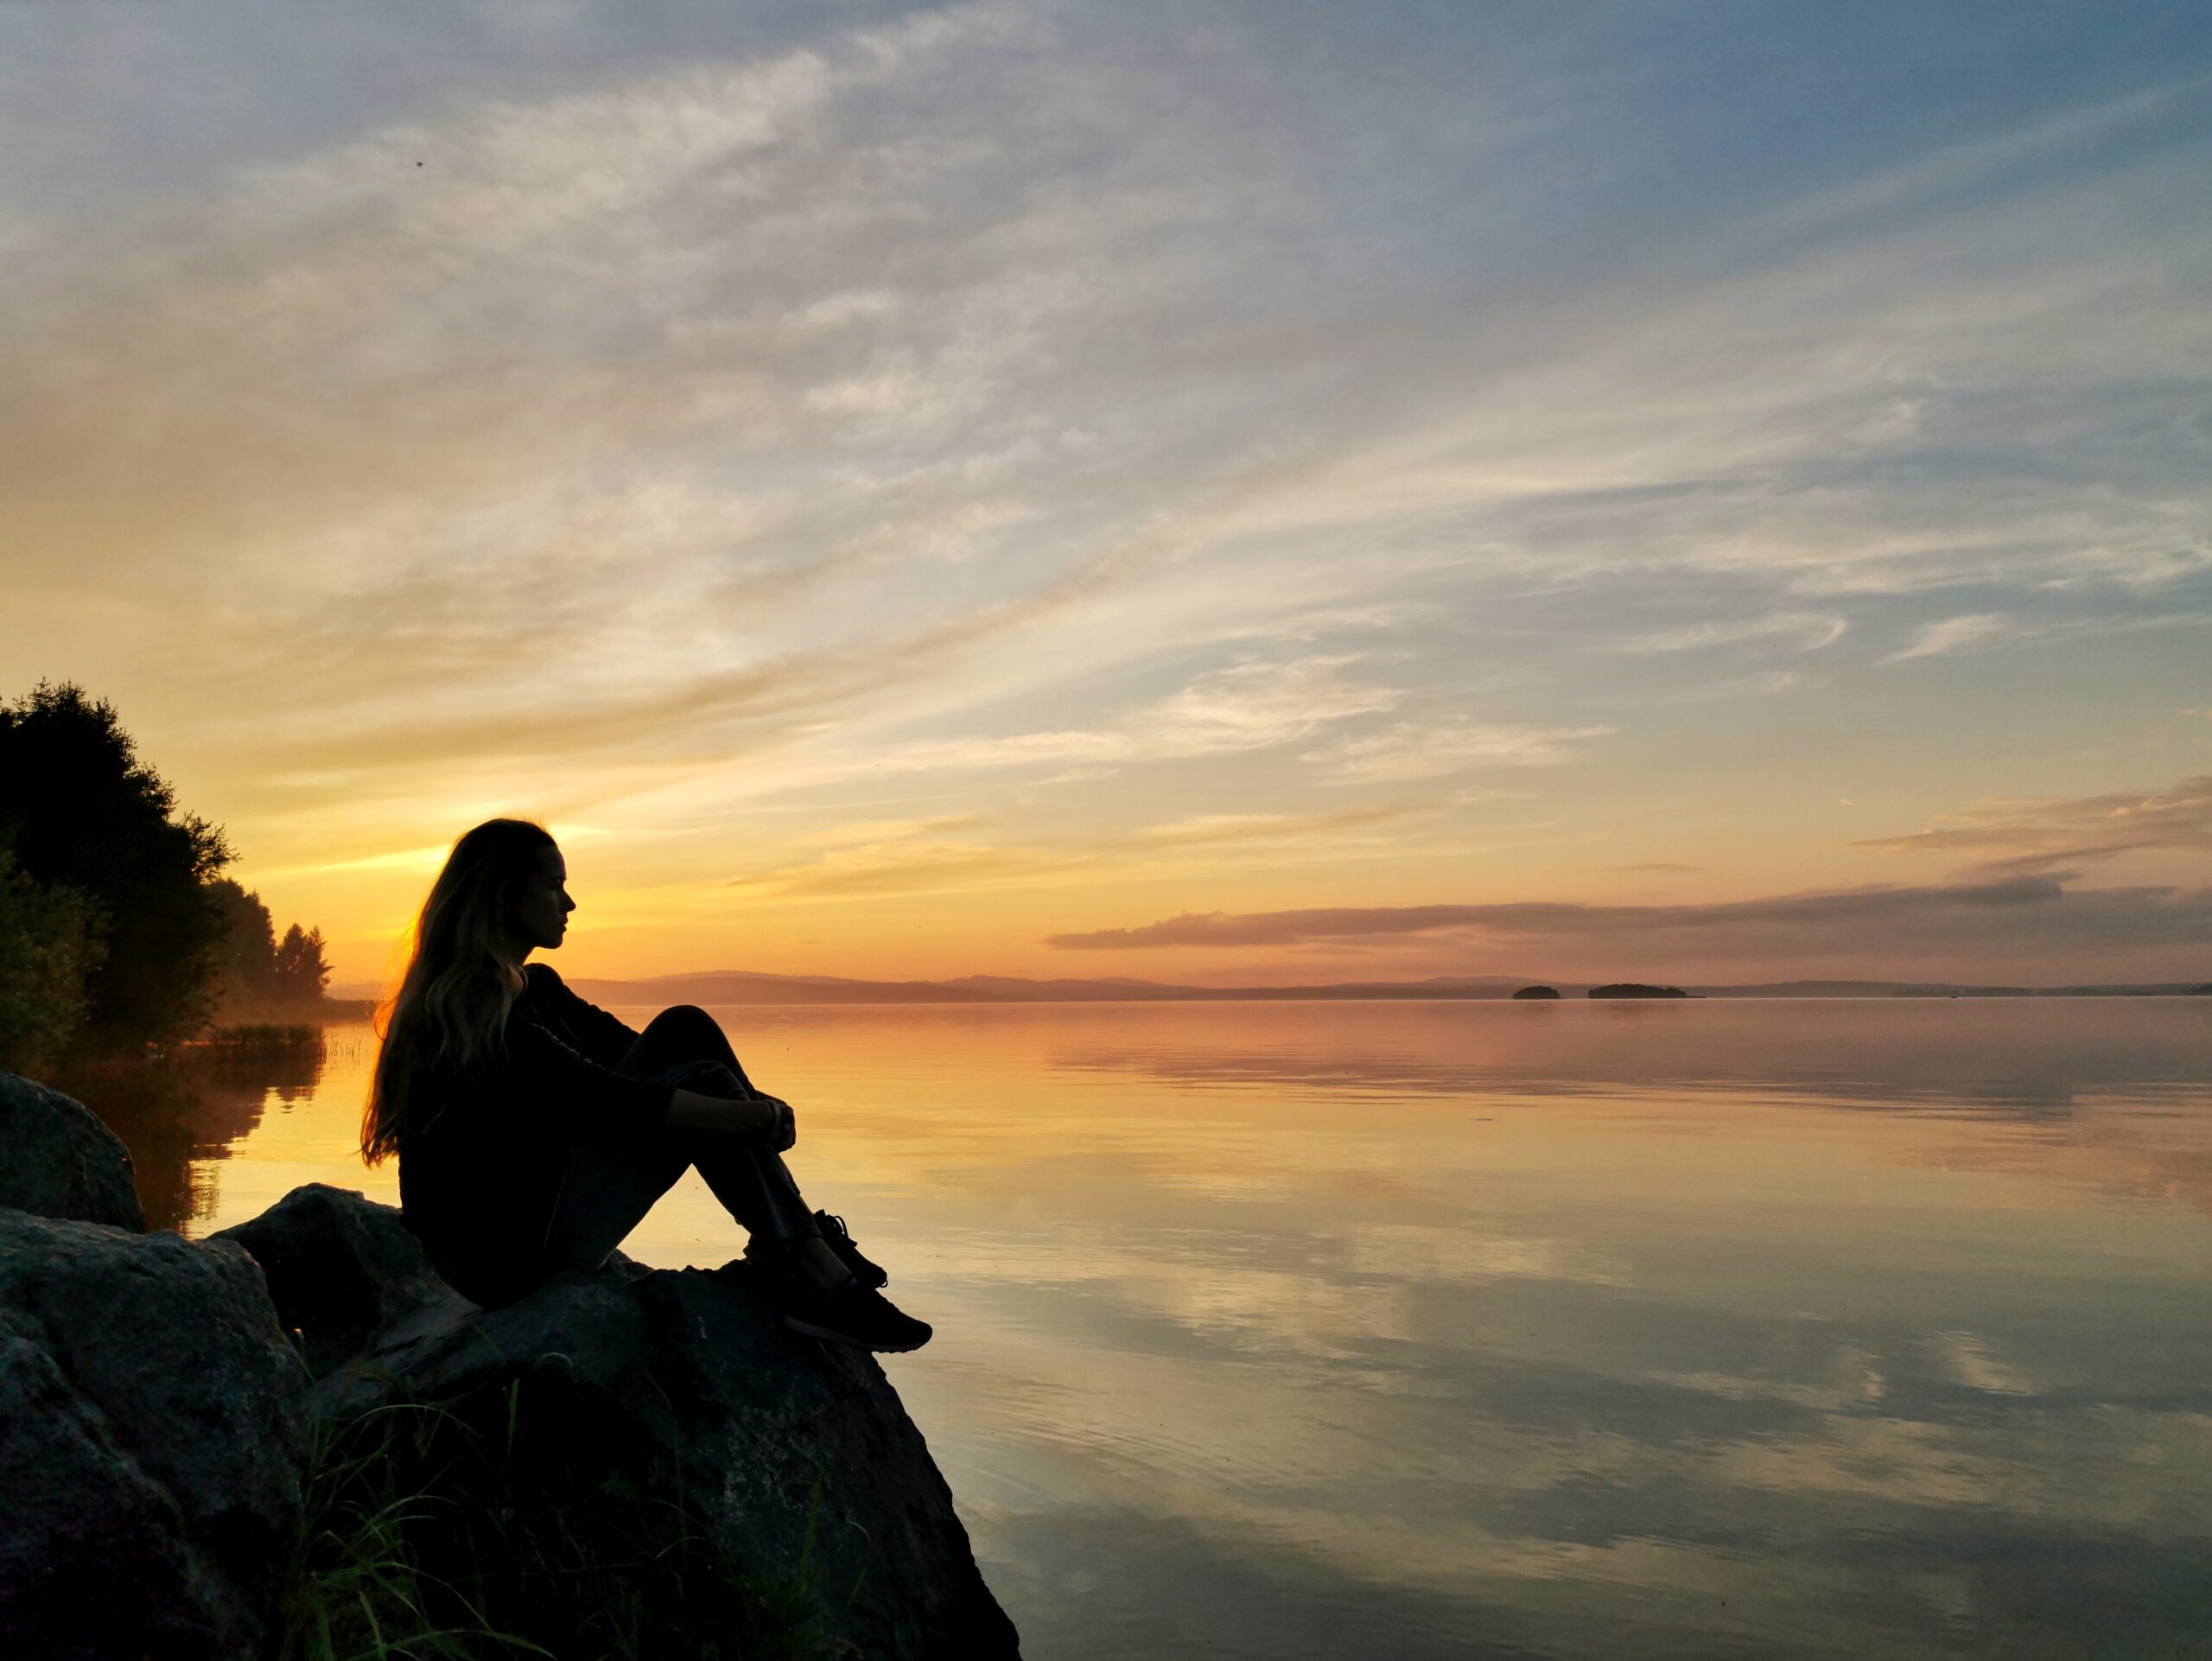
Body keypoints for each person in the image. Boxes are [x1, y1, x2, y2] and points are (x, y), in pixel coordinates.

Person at [359, 817, 930, 1352]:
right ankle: (813, 1268)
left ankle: (797, 1249)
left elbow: (645, 1061)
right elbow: (607, 1102)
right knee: (702, 1080)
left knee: (687, 1027)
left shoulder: (535, 990)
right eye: (554, 887)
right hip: (510, 1257)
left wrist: (749, 1106)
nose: (570, 903)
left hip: (538, 1217)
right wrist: (751, 1117)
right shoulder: (472, 1005)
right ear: (505, 896)